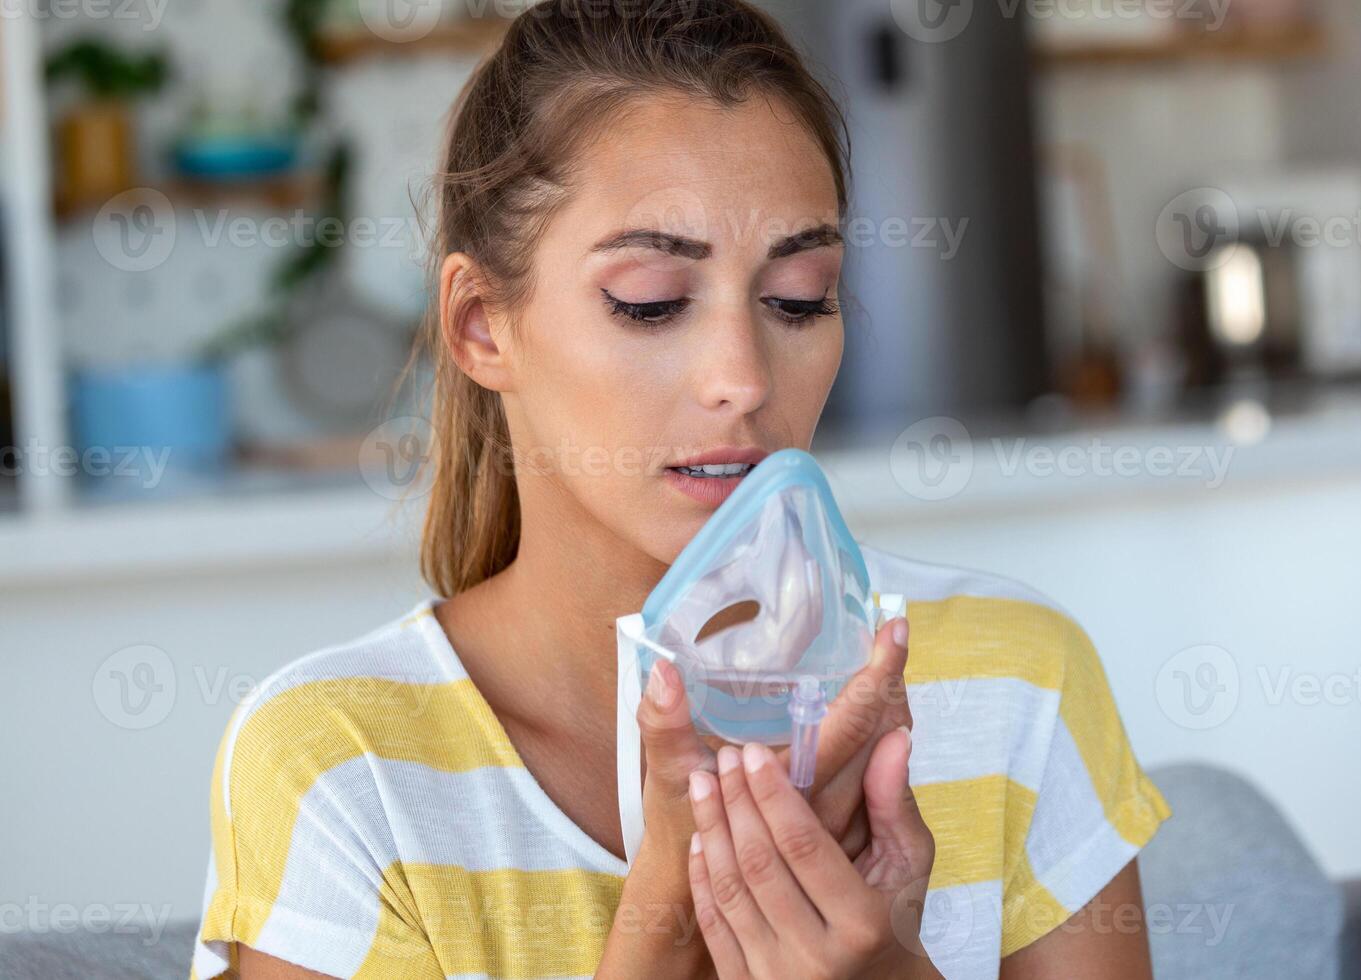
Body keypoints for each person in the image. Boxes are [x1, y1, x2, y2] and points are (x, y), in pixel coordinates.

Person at [188, 2, 1170, 977]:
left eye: (799, 298)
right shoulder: (343, 767)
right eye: (650, 302)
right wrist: (661, 924)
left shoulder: (1016, 682)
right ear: (482, 324)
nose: (742, 376)